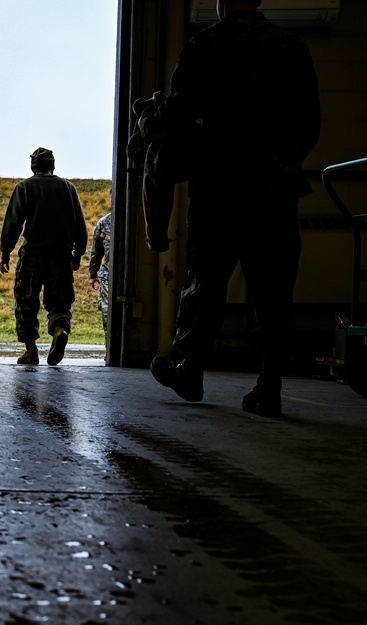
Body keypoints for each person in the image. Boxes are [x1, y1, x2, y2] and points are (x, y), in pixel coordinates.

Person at [147, 0, 320, 416]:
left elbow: (179, 111)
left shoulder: (207, 43)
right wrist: (282, 158)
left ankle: (191, 368)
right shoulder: (292, 47)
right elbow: (311, 122)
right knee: (274, 287)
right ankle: (270, 383)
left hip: (220, 185)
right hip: (277, 186)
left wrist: (153, 118)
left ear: (223, 3)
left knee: (205, 281)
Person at [0, 147, 88, 366]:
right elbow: (81, 227)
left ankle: (31, 350)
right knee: (60, 301)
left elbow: (13, 223)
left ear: (33, 166)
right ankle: (59, 329)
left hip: (33, 255)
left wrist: (5, 252)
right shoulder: (68, 188)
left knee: (26, 301)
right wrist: (78, 254)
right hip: (61, 254)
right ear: (53, 165)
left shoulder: (25, 187)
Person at [89, 208, 112, 331]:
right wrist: (93, 274)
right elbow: (96, 252)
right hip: (108, 276)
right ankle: (110, 345)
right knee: (107, 314)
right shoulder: (104, 222)